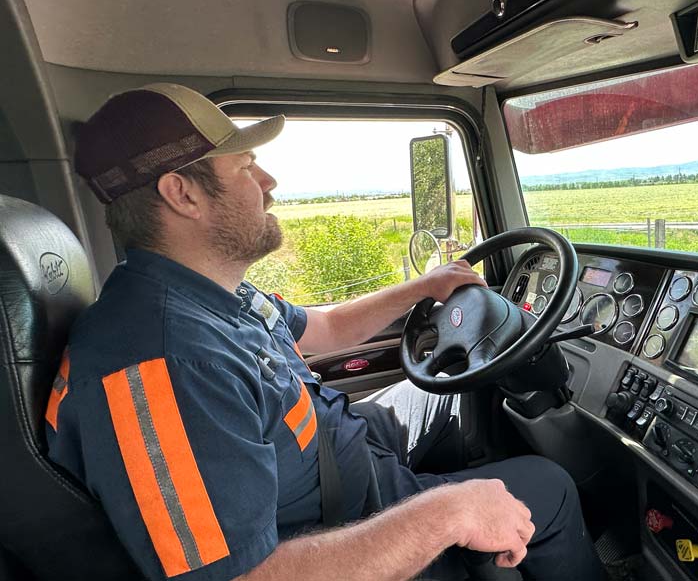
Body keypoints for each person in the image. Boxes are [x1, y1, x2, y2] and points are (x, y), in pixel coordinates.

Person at [45, 83, 606, 581]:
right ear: (182, 193)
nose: (268, 182)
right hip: (338, 514)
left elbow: (329, 326)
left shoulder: (208, 292)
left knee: (456, 389)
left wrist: (422, 287)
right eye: (244, 167)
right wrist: (449, 513)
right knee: (548, 486)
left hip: (339, 446)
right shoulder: (164, 362)